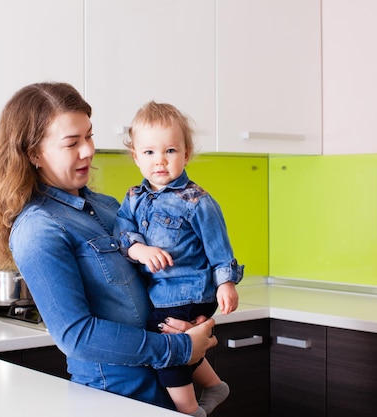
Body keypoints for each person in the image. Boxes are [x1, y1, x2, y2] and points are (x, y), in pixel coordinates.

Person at [0, 82, 217, 410]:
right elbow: (75, 335)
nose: (88, 150)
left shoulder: (109, 206)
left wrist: (184, 322)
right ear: (34, 154)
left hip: (166, 385)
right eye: (72, 143)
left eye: (89, 135)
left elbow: (152, 286)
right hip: (115, 396)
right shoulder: (38, 229)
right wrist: (179, 349)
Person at [114, 101, 244, 417]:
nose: (159, 160)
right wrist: (138, 250)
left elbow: (219, 246)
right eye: (149, 153)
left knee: (165, 349)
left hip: (190, 290)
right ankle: (214, 386)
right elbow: (122, 232)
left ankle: (187, 411)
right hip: (161, 294)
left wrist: (226, 283)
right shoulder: (133, 197)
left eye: (170, 151)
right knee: (180, 341)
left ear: (186, 154)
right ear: (136, 157)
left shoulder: (197, 201)